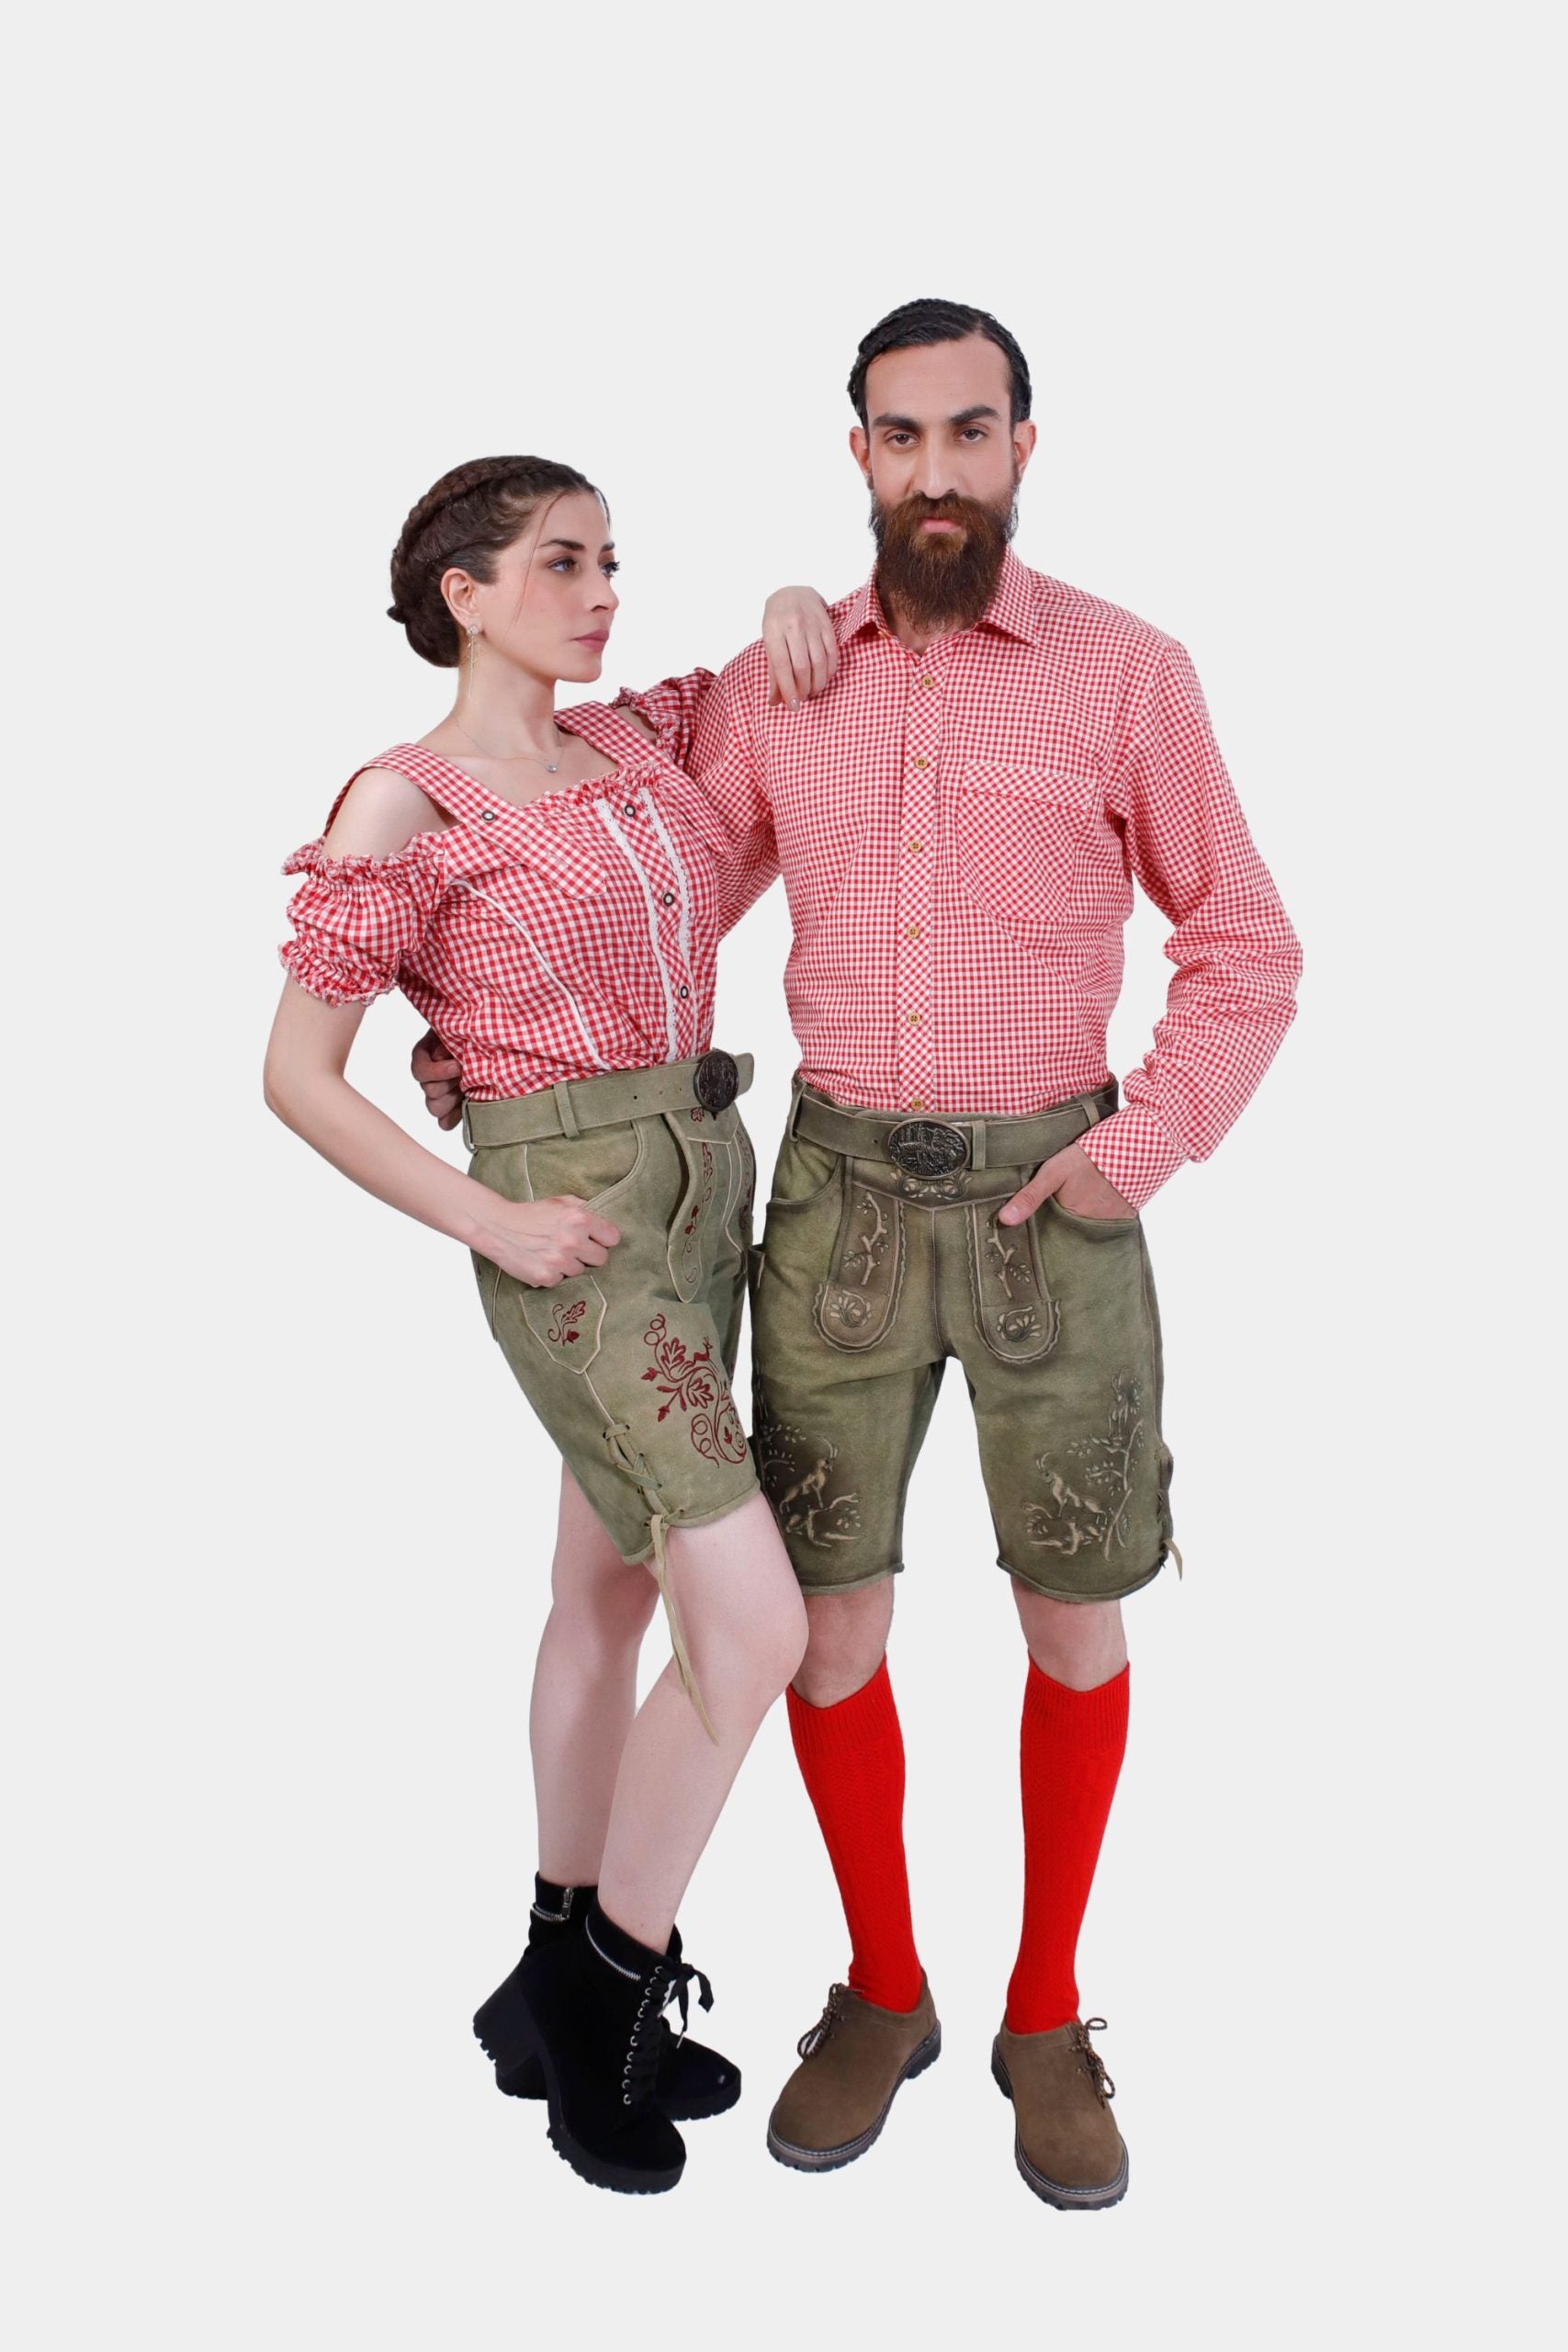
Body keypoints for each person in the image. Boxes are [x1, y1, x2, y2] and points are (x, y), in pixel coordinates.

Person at [420, 304, 1302, 2209]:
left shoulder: (1127, 672)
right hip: (829, 1210)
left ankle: (1044, 2014)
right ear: (859, 458)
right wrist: (491, 1035)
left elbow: (1244, 941)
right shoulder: (780, 678)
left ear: (1021, 447)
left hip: (1055, 1205)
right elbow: (650, 897)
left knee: (1074, 1614)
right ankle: (882, 1988)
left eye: (968, 431)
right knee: (824, 1627)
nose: (934, 470)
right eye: (899, 437)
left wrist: (1134, 1151)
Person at [264, 455, 838, 2196]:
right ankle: (606, 1994)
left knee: (604, 1591)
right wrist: (490, 1215)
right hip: (571, 1230)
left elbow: (779, 694)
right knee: (756, 1626)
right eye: (562, 564)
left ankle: (542, 1959)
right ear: (465, 594)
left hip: (705, 1189)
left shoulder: (633, 746)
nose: (601, 594)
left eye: (610, 561)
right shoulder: (405, 802)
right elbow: (296, 1074)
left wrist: (792, 605)